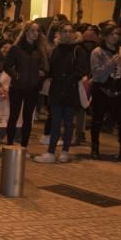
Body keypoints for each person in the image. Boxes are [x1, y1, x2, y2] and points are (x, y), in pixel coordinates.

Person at [34, 24, 89, 163]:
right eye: (64, 31)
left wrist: (68, 79)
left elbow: (81, 70)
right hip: (57, 89)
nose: (67, 34)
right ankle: (51, 152)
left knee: (69, 122)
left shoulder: (78, 49)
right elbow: (52, 69)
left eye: (70, 31)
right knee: (55, 122)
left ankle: (65, 151)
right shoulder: (57, 49)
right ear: (60, 33)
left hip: (70, 90)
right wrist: (45, 73)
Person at [90, 26, 121, 163]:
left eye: (117, 34)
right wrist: (111, 63)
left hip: (117, 89)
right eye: (112, 34)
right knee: (97, 120)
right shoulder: (97, 52)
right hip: (102, 89)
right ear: (105, 36)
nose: (115, 37)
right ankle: (95, 148)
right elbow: (96, 73)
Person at [3, 22, 49, 147]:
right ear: (26, 32)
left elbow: (46, 68)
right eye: (33, 31)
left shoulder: (39, 50)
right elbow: (6, 65)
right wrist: (16, 75)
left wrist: (41, 74)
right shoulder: (16, 49)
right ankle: (10, 144)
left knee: (28, 118)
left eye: (37, 31)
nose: (36, 33)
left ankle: (24, 145)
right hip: (17, 87)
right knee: (14, 116)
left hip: (33, 88)